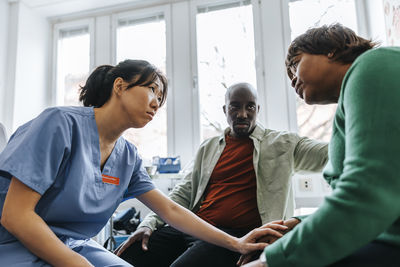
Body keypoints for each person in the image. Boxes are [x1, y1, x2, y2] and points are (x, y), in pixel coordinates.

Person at [0, 60, 284, 267]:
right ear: (120, 86)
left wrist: (236, 242)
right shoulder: (59, 124)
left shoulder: (128, 157)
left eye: (160, 99)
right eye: (152, 90)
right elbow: (15, 216)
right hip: (13, 242)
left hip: (72, 244)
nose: (156, 104)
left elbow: (172, 210)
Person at [117, 82, 328, 267]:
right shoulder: (208, 148)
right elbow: (181, 194)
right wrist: (148, 224)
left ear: (258, 109)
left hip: (237, 235)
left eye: (250, 107)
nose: (243, 114)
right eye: (235, 106)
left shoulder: (284, 144)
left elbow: (332, 153)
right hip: (196, 227)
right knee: (129, 256)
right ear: (225, 109)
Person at [242, 24, 400, 267]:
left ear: (331, 50)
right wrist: (295, 224)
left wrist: (271, 262)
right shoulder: (353, 99)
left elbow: (367, 193)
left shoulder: (372, 66)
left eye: (295, 65)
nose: (293, 79)